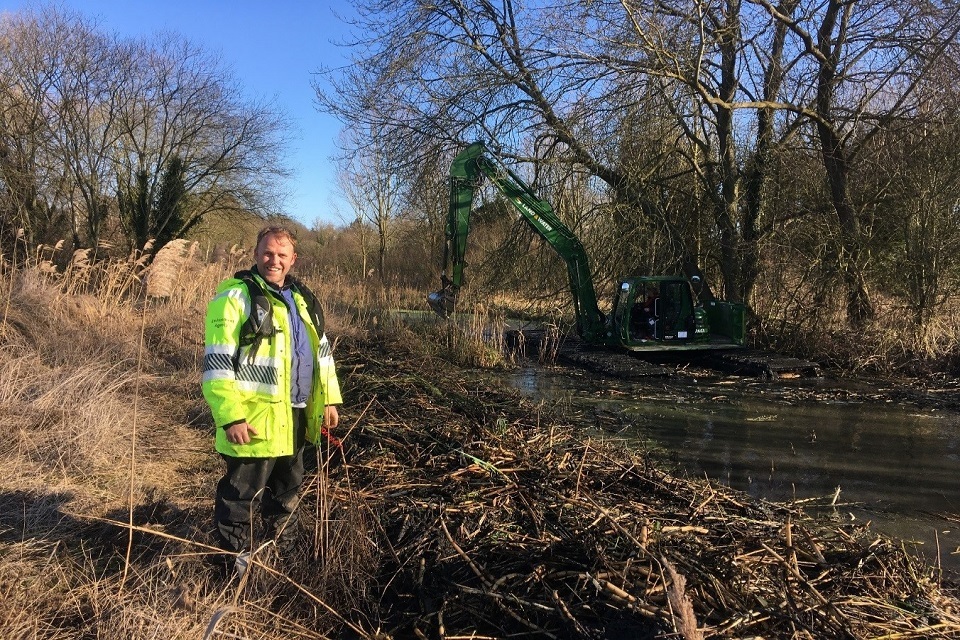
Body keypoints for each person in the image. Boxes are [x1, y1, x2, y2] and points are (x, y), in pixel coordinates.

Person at [202, 226, 342, 562]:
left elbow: (321, 353)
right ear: (255, 254)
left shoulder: (304, 301)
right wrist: (230, 415)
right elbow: (217, 363)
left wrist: (331, 400)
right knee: (240, 499)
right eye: (267, 253)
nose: (273, 261)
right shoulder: (236, 297)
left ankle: (284, 558)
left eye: (281, 255)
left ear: (293, 259)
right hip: (252, 421)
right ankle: (233, 569)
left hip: (295, 416)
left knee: (286, 494)